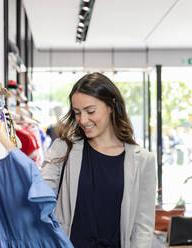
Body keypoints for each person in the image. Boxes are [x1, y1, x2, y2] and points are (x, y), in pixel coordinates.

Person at [41, 72, 157, 248]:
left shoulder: (143, 161)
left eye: (90, 111)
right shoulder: (64, 149)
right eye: (77, 112)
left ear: (111, 106)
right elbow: (40, 197)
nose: (83, 120)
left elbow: (142, 228)